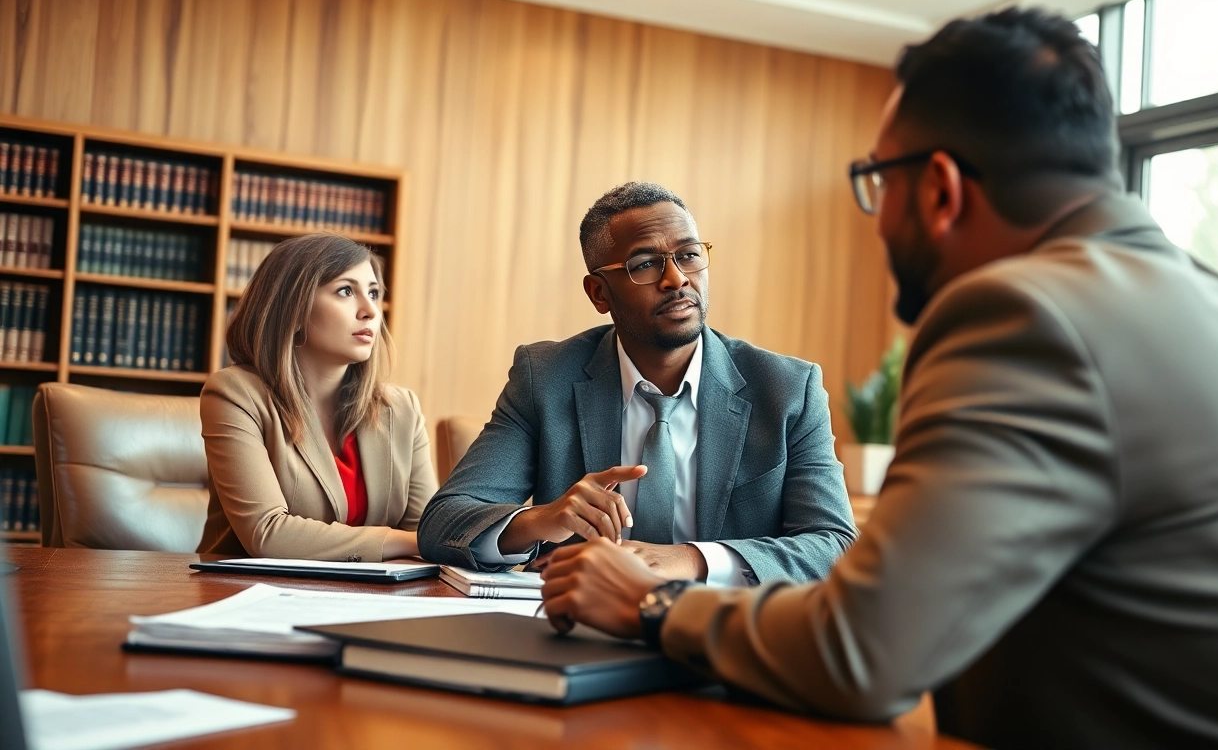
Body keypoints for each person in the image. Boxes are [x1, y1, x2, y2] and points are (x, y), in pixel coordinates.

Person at [535, 8, 1218, 749]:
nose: (878, 214)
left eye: (878, 182)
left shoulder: (1022, 315)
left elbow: (864, 656)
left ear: (941, 189)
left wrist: (647, 602)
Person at [417, 182, 857, 586]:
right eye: (645, 264)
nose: (677, 279)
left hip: (722, 636)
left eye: (688, 255)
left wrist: (687, 559)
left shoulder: (786, 389)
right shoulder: (546, 376)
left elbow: (835, 545)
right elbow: (444, 522)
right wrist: (541, 520)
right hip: (583, 631)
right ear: (599, 294)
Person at [198, 233, 435, 560]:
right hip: (252, 597)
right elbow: (267, 534)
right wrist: (408, 542)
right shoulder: (234, 394)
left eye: (374, 293)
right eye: (346, 291)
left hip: (372, 602)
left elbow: (426, 527)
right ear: (292, 308)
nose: (370, 311)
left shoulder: (402, 408)